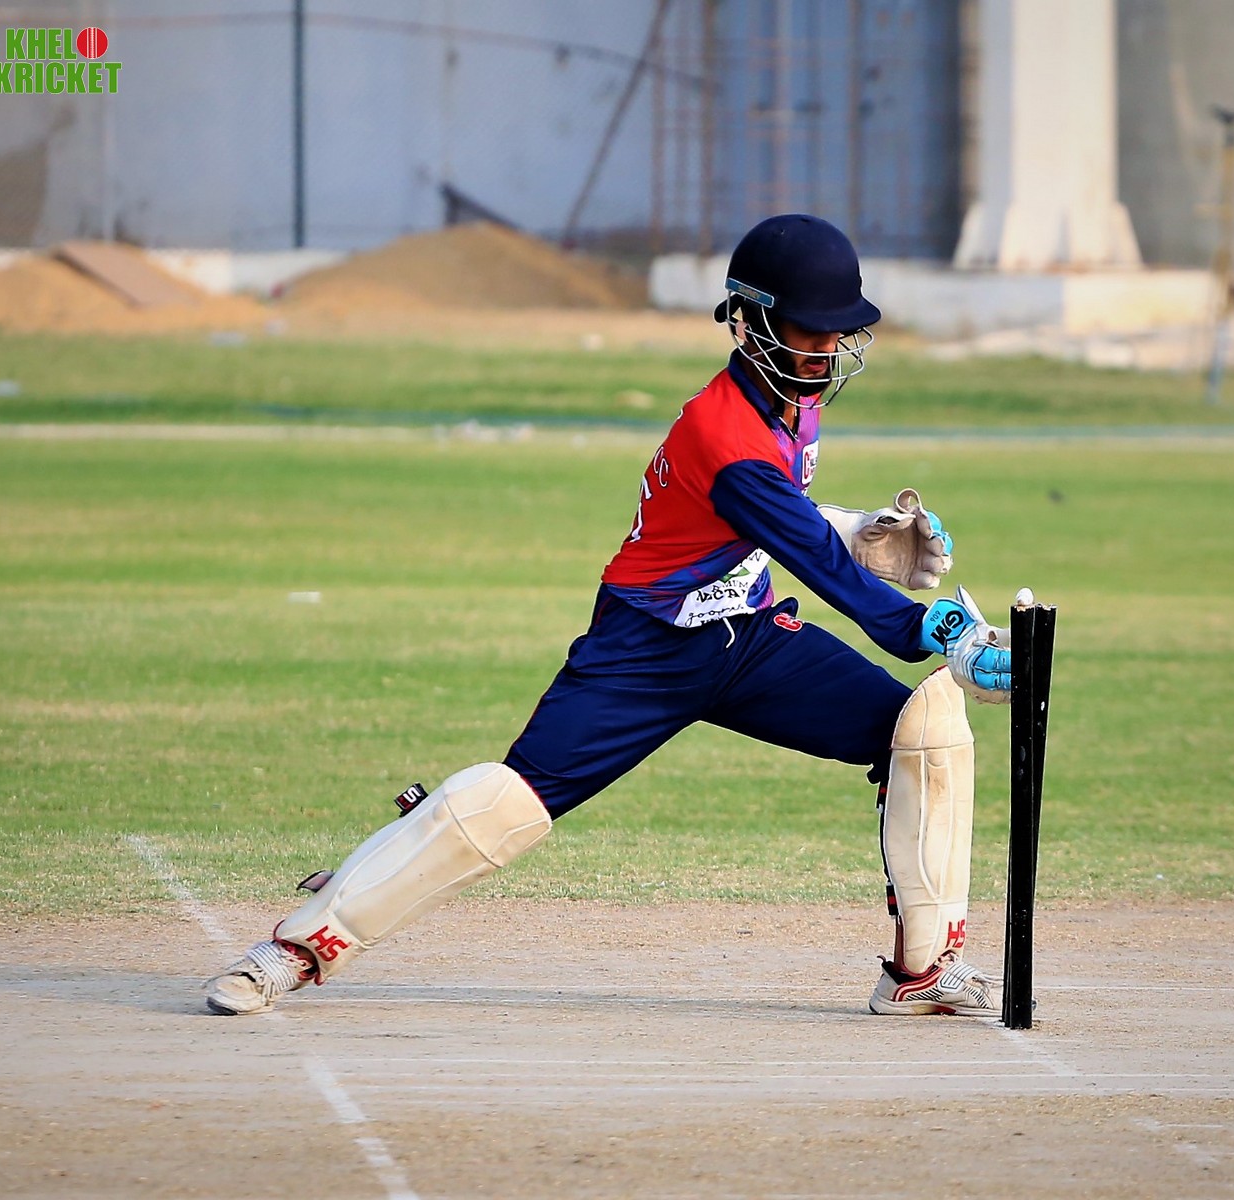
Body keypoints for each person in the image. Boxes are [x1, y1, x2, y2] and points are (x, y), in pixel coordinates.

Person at [205, 213, 1014, 1019]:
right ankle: (298, 947)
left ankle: (921, 972)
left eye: (838, 331)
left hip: (748, 639)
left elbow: (776, 521)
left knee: (924, 731)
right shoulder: (723, 433)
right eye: (812, 329)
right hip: (645, 649)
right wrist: (936, 630)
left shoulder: (790, 400)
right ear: (750, 322)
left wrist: (856, 527)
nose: (828, 348)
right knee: (507, 806)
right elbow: (812, 556)